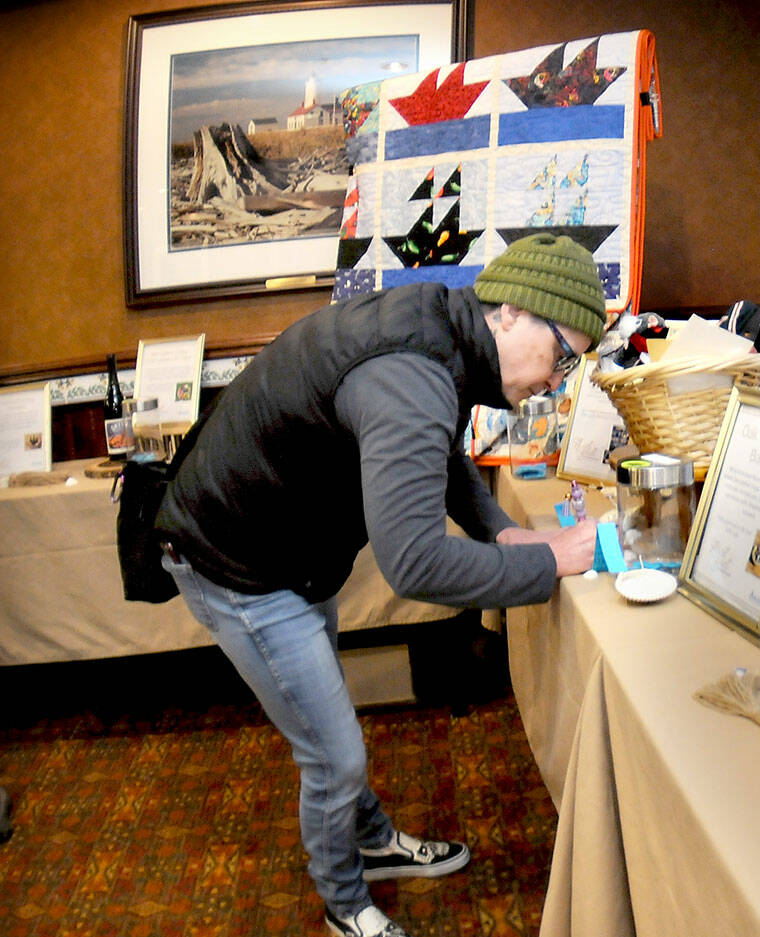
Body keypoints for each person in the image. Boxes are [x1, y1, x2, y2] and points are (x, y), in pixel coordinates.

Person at [154, 233, 603, 937]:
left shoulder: (439, 328)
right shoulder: (415, 370)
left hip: (286, 548)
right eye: (564, 356)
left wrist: (501, 530)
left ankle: (369, 838)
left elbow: (440, 446)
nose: (559, 380)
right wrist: (548, 563)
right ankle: (344, 907)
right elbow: (417, 563)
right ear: (511, 312)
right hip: (236, 561)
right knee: (333, 752)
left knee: (325, 718)